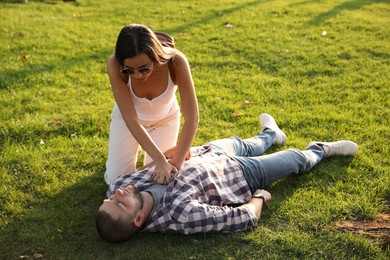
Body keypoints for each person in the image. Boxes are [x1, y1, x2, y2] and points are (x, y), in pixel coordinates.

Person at [96, 113, 358, 243]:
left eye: (110, 199)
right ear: (139, 219)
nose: (117, 194)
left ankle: (271, 134)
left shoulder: (120, 185)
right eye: (119, 204)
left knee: (243, 143)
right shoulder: (182, 215)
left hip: (207, 152)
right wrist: (258, 198)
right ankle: (320, 149)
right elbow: (244, 218)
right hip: (240, 176)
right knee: (294, 159)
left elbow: (151, 166)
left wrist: (166, 157)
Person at [104, 24, 199, 185]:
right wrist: (161, 160)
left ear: (155, 56)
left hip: (165, 120)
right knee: (116, 181)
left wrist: (173, 165)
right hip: (128, 122)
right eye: (129, 70)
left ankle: (166, 153)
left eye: (144, 68)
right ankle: (156, 154)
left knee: (157, 179)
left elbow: (192, 119)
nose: (138, 75)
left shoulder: (176, 62)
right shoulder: (114, 65)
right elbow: (131, 120)